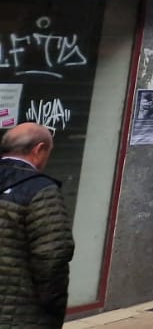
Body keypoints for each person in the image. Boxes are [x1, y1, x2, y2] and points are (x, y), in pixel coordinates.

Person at [0, 123, 73, 328]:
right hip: (20, 315)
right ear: (39, 149)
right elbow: (52, 257)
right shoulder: (41, 191)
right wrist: (53, 309)